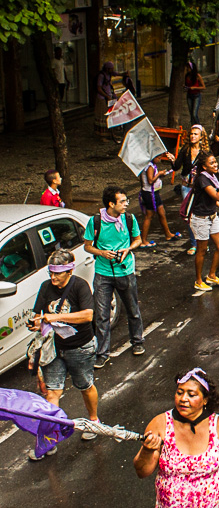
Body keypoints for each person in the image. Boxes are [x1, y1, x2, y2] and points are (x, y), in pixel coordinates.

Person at [133, 368, 219, 507]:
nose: (183, 399)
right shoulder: (160, 424)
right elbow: (142, 472)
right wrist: (147, 450)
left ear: (205, 400)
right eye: (179, 393)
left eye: (191, 394)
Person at [26, 249, 98, 459]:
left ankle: (93, 421)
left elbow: (87, 315)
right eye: (51, 272)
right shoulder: (45, 287)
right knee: (52, 393)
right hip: (54, 348)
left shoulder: (79, 286)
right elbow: (38, 315)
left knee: (85, 385)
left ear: (69, 271)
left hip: (80, 347)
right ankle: (49, 438)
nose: (53, 277)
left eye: (58, 273)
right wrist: (35, 323)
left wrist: (56, 317)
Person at [83, 186, 144, 368]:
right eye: (122, 201)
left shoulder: (129, 219)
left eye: (126, 201)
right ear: (111, 204)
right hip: (103, 273)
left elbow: (138, 240)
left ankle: (137, 342)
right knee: (102, 315)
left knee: (133, 309)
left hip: (125, 271)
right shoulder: (95, 222)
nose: (126, 204)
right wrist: (102, 253)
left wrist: (128, 249)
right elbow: (87, 246)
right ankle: (102, 353)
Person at [190, 152, 219, 292]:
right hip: (201, 219)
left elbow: (213, 199)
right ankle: (198, 281)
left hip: (212, 216)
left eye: (215, 162)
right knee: (202, 250)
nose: (215, 165)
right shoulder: (202, 179)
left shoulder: (211, 177)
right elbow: (217, 195)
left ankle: (212, 275)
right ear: (204, 167)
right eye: (212, 163)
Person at [174, 124, 209, 255]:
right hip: (187, 187)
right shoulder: (186, 150)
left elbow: (210, 168)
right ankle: (194, 243)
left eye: (196, 134)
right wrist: (172, 160)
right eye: (191, 134)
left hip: (200, 188)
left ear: (201, 137)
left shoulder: (205, 152)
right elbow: (177, 166)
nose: (193, 136)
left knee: (201, 215)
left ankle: (203, 242)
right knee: (189, 216)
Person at [139, 153, 180, 247]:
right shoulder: (149, 166)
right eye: (158, 158)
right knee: (149, 216)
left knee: (162, 212)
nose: (159, 159)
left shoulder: (152, 165)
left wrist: (160, 175)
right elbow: (150, 181)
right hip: (150, 194)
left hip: (154, 193)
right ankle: (143, 240)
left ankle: (168, 234)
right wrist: (159, 174)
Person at [94, 62, 117, 140]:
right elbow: (99, 88)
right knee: (103, 116)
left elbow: (116, 74)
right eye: (111, 69)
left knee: (110, 116)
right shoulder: (101, 76)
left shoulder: (109, 75)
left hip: (109, 98)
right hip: (102, 98)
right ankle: (102, 135)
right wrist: (106, 96)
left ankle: (110, 134)